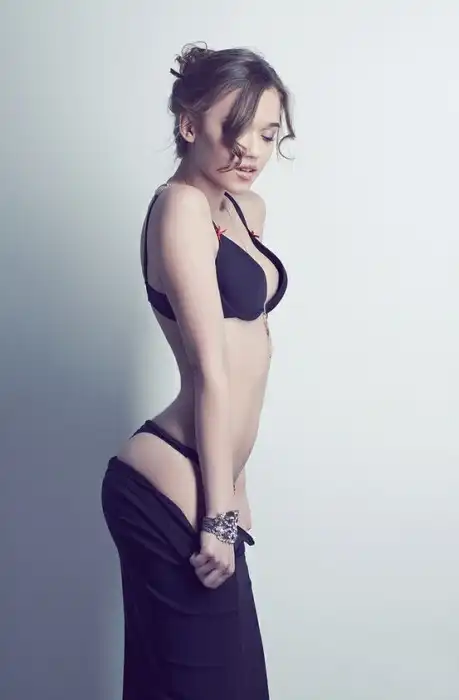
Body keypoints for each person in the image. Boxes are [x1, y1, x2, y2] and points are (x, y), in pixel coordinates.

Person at [101, 42, 295, 700]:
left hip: (214, 477)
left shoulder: (244, 210)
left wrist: (237, 483)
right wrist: (217, 514)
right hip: (172, 480)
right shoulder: (179, 206)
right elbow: (213, 370)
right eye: (234, 128)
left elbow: (254, 354)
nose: (251, 150)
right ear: (189, 123)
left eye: (266, 133)